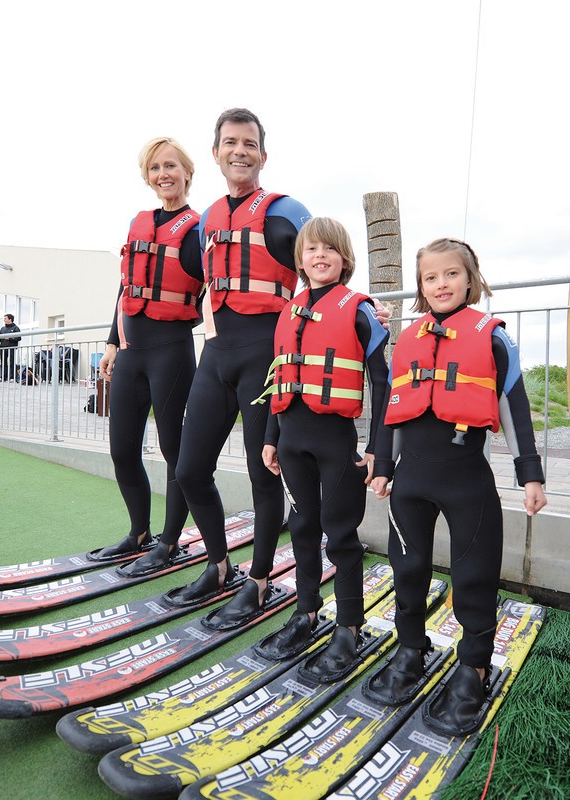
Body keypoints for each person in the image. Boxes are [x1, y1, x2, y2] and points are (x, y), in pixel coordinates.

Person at [365, 238, 547, 735]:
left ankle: (474, 665)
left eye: (450, 274)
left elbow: (515, 405)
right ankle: (411, 650)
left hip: (468, 480)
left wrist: (529, 473)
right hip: (411, 482)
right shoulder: (408, 340)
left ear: (471, 278)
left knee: (474, 575)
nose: (441, 284)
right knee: (407, 570)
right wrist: (382, 463)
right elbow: (391, 411)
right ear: (421, 287)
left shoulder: (492, 336)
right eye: (430, 277)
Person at [165, 108, 312, 625]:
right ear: (216, 153)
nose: (240, 151)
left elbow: (327, 264)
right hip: (218, 354)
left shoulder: (287, 211)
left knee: (261, 472)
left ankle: (259, 580)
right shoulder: (206, 219)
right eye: (230, 142)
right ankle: (220, 564)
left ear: (262, 154)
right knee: (187, 469)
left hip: (267, 358)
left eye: (249, 143)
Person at [254, 217, 391, 680]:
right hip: (291, 439)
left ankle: (350, 624)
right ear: (301, 259)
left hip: (335, 441)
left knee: (341, 534)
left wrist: (377, 447)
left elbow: (381, 381)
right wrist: (272, 438)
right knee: (302, 528)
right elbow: (279, 375)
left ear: (344, 259)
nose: (319, 256)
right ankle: (306, 612)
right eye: (311, 249)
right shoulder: (289, 311)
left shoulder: (359, 310)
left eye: (329, 250)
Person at [93, 136, 204, 568]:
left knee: (176, 455)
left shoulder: (197, 229)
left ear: (187, 173)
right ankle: (139, 532)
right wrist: (111, 343)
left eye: (172, 166)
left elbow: (222, 279)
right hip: (131, 352)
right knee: (122, 450)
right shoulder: (139, 224)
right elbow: (126, 288)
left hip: (171, 352)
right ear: (147, 177)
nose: (164, 174)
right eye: (156, 168)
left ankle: (170, 542)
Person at [0, 314, 21, 380]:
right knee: (3, 362)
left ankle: (12, 377)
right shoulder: (2, 328)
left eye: (5, 318)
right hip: (3, 347)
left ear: (10, 319)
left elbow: (19, 337)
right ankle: (3, 377)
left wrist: (10, 338)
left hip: (11, 347)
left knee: (12, 362)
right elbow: (0, 338)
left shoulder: (15, 328)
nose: (4, 320)